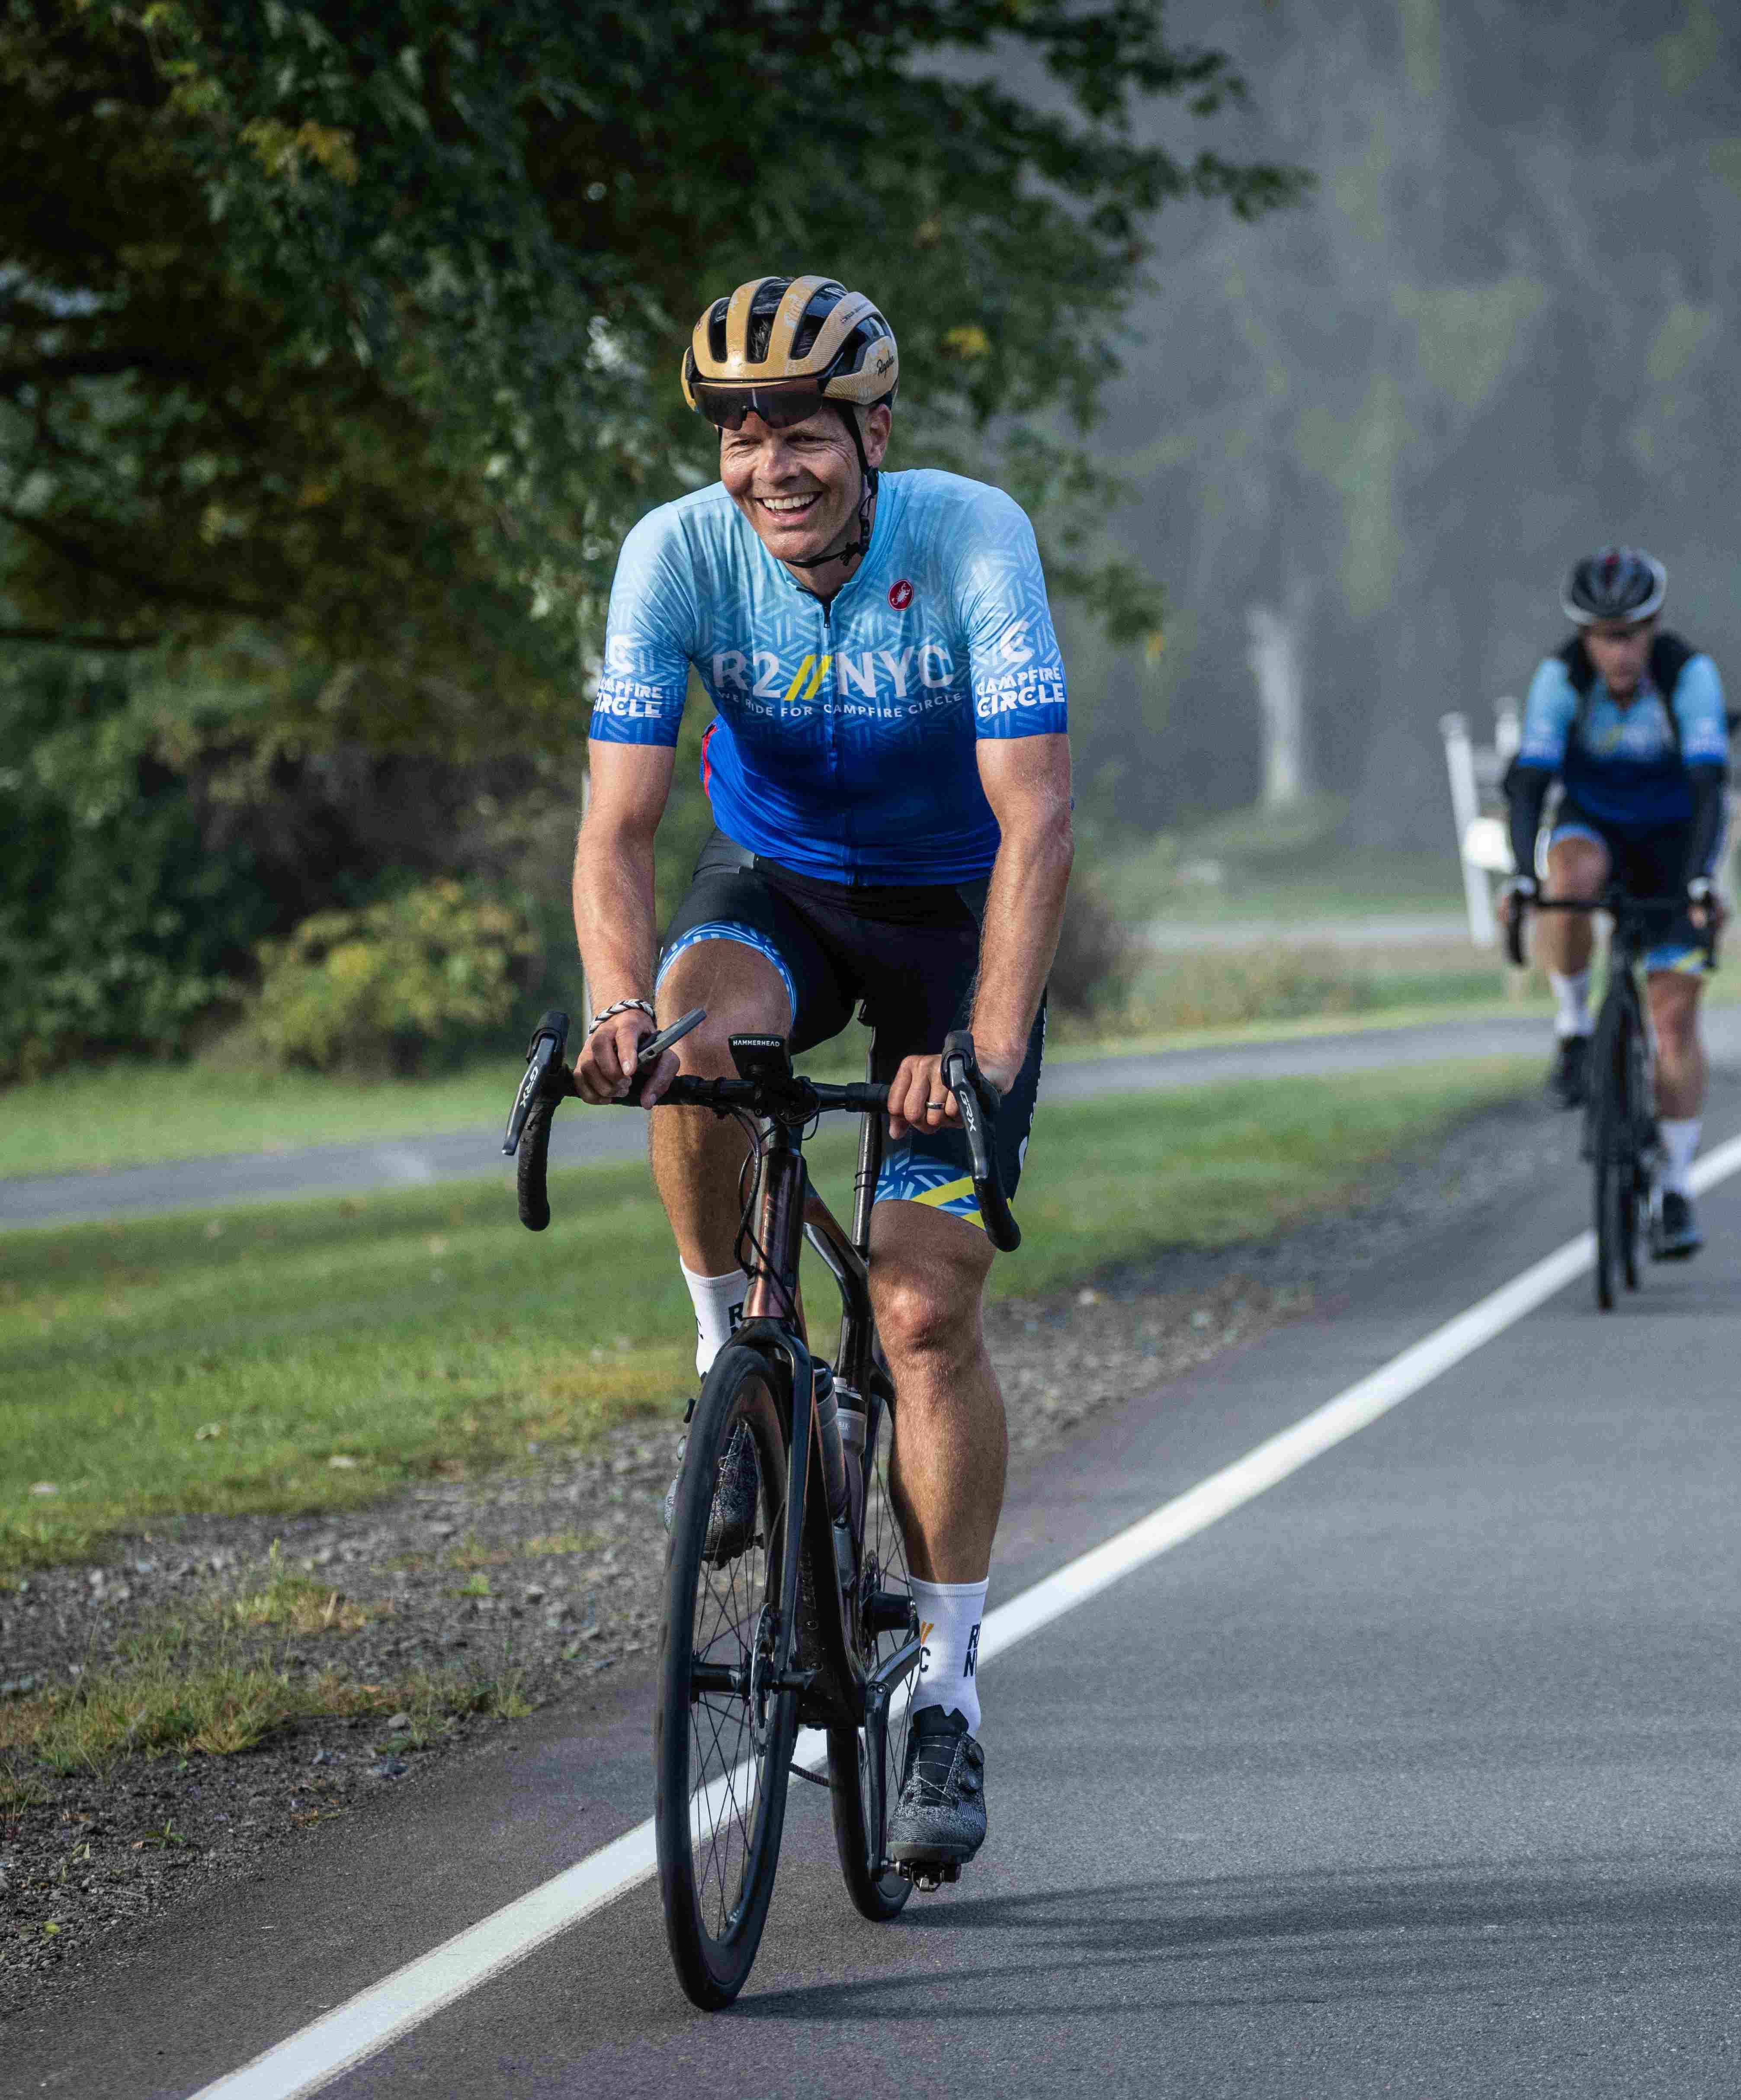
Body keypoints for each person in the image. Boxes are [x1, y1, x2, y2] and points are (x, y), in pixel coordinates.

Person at [570, 275, 1074, 1872]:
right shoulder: (675, 555)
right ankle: (731, 1358)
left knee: (923, 1310)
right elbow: (618, 827)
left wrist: (979, 1054)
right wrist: (610, 1009)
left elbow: (1038, 813)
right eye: (737, 427)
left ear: (870, 432)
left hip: (951, 921)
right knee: (688, 1049)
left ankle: (941, 1689)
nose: (766, 459)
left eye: (797, 426)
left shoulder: (972, 539)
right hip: (777, 890)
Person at [1499, 546, 1731, 1258]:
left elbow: (1707, 787)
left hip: (1670, 839)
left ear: (1653, 626)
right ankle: (1573, 1031)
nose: (1619, 650)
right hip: (1593, 822)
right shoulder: (1559, 678)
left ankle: (1678, 1185)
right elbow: (1530, 782)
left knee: (1674, 1016)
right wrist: (1517, 875)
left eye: (1630, 632)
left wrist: (1698, 880)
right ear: (1583, 637)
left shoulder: (1687, 676)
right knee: (1565, 883)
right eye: (1603, 635)